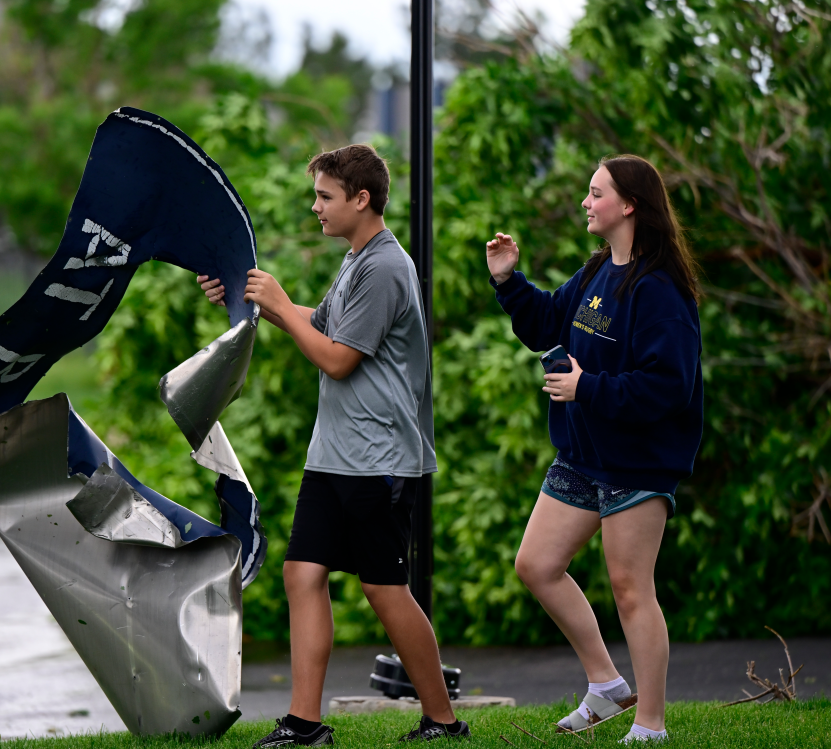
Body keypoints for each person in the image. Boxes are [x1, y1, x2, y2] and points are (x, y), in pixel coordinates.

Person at [198, 144, 469, 745]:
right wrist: (250, 299)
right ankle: (304, 722)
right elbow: (320, 322)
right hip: (334, 454)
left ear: (360, 199)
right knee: (302, 573)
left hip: (379, 458)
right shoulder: (356, 259)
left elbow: (338, 359)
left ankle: (443, 721)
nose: (315, 207)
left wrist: (275, 303)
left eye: (325, 196)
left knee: (383, 588)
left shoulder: (385, 268)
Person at [485, 155, 703, 744]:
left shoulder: (660, 290)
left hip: (637, 463)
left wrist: (589, 388)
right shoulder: (597, 270)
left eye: (595, 192)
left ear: (628, 205)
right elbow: (546, 324)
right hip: (584, 454)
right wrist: (509, 280)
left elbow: (669, 386)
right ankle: (606, 685)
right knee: (535, 565)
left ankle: (651, 724)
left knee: (632, 591)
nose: (586, 201)